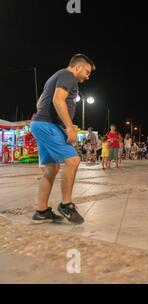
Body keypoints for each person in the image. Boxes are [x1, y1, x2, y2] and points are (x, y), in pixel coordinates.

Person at [30, 53, 95, 224]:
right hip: (48, 125)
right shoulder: (68, 76)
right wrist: (68, 127)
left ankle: (41, 211)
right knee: (73, 160)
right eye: (87, 72)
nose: (88, 76)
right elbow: (58, 100)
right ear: (78, 66)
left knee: (51, 168)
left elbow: (39, 103)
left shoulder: (55, 76)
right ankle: (66, 205)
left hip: (40, 124)